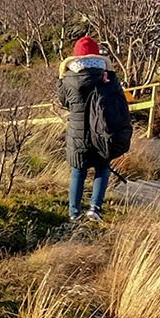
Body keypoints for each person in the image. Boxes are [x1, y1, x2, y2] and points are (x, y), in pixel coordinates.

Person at [59, 36, 126, 222]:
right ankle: (95, 208)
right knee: (102, 168)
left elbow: (63, 101)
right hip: (102, 132)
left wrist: (60, 79)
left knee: (78, 172)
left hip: (77, 133)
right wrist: (111, 76)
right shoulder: (107, 77)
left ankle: (74, 213)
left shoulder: (69, 79)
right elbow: (118, 100)